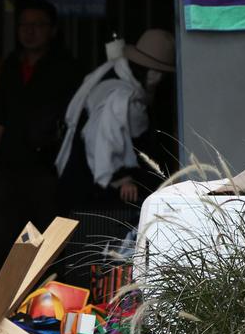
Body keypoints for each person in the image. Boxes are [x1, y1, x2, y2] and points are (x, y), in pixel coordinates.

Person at [0, 0, 82, 260]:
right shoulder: (11, 65)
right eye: (24, 24)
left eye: (38, 25)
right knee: (3, 238)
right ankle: (1, 293)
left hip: (48, 168)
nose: (29, 30)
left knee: (47, 238)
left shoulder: (67, 68)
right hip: (10, 167)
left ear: (53, 30)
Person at [55, 28, 176, 209]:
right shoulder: (120, 96)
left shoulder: (114, 76)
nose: (159, 80)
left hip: (93, 185)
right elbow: (103, 138)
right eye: (160, 73)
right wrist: (121, 179)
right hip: (98, 193)